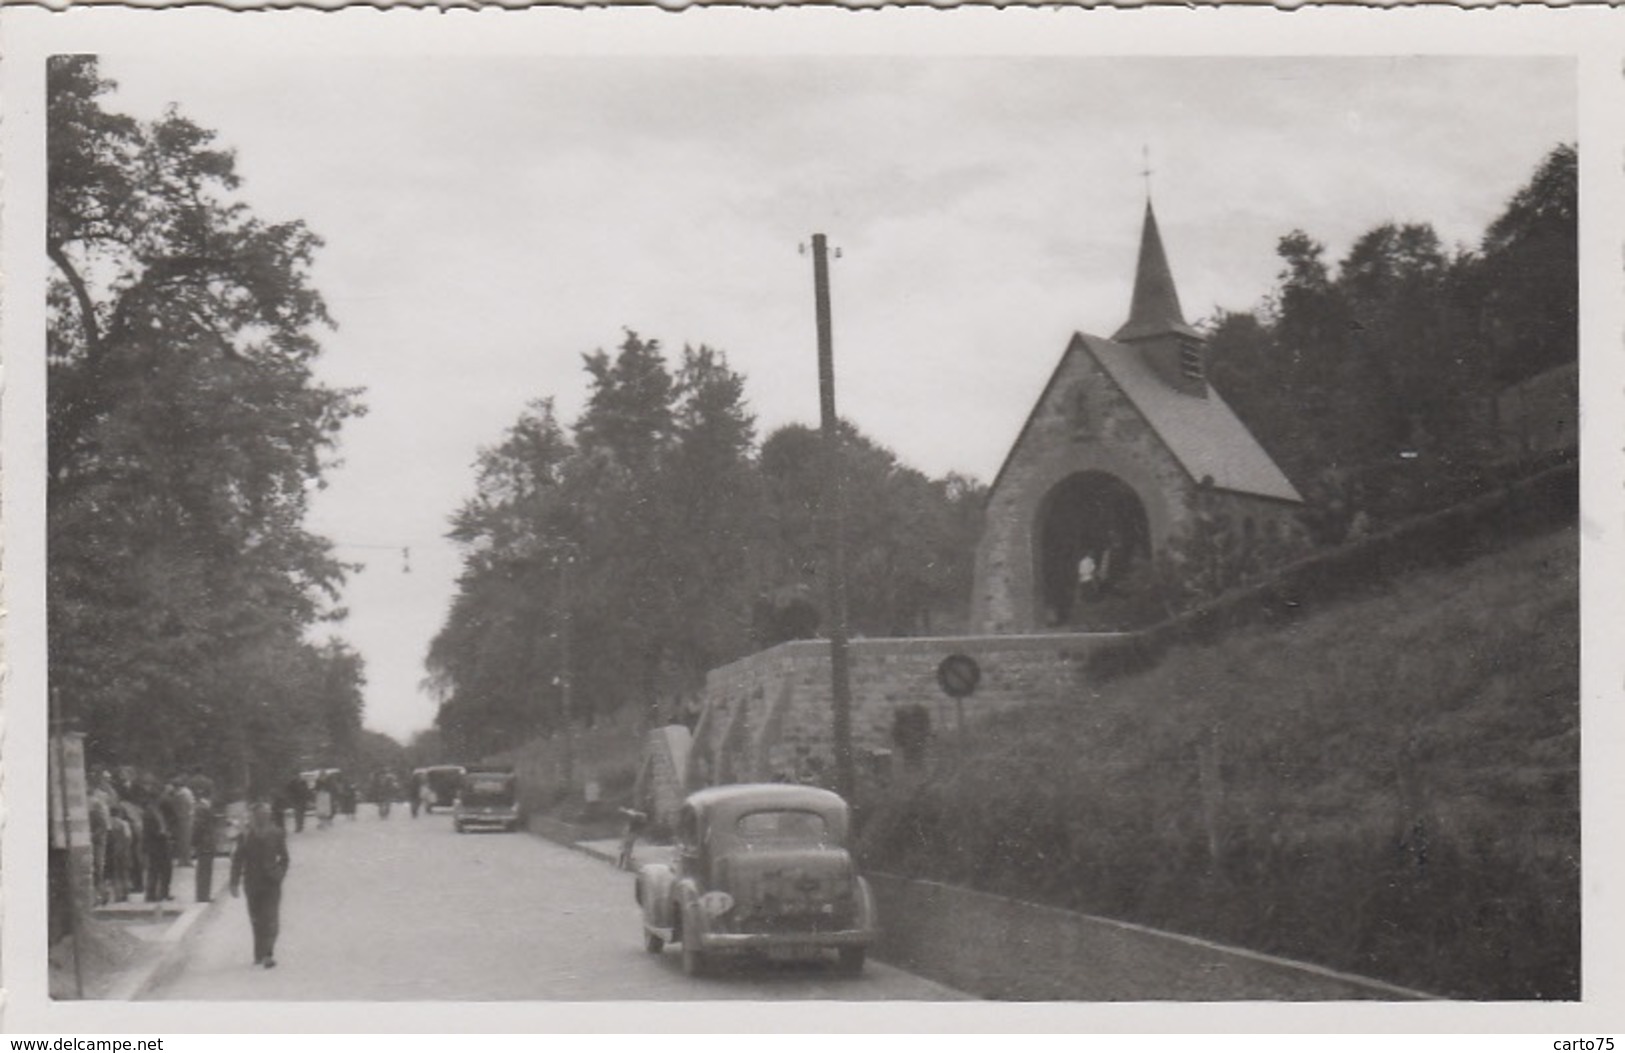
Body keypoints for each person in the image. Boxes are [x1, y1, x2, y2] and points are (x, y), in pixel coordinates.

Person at [230, 802, 290, 968]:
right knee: (256, 919)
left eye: (267, 813)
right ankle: (259, 953)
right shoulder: (246, 835)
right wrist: (234, 882)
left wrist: (279, 874)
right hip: (252, 882)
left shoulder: (276, 833)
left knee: (271, 919)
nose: (264, 816)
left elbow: (284, 858)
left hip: (271, 882)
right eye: (261, 814)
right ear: (254, 816)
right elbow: (238, 859)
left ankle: (268, 954)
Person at [193, 795, 217, 903]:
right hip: (205, 844)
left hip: (204, 844)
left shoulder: (200, 810)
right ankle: (203, 895)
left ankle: (203, 894)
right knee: (205, 870)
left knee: (204, 870)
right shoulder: (203, 810)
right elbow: (201, 828)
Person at [616, 807, 648, 871]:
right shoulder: (640, 818)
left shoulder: (638, 817)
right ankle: (624, 863)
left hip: (631, 834)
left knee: (627, 848)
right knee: (628, 847)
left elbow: (632, 814)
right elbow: (633, 814)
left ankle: (622, 864)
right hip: (633, 834)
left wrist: (624, 810)